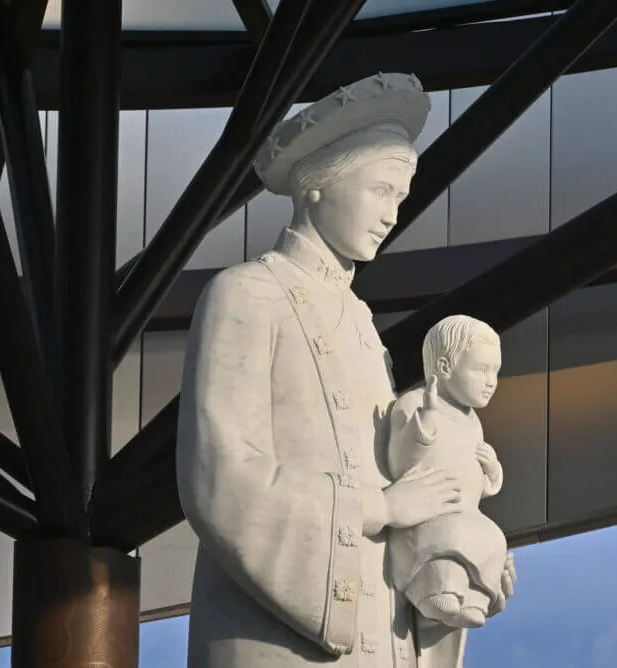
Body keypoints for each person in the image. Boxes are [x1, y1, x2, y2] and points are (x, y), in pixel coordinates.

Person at [175, 73, 515, 668]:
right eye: (381, 190)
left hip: (379, 635)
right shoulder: (247, 293)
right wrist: (376, 510)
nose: (392, 215)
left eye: (400, 199)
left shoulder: (364, 329)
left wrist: (457, 553)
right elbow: (221, 471)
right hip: (273, 631)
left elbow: (403, 486)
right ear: (317, 186)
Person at [387, 315, 508, 630]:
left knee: (492, 540)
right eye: (481, 370)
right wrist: (424, 425)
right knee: (449, 540)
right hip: (430, 510)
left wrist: (491, 470)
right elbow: (401, 459)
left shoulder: (473, 423)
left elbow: (479, 482)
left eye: (495, 371)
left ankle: (475, 600)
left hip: (466, 510)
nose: (491, 381)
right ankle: (437, 595)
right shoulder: (415, 403)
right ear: (444, 368)